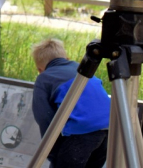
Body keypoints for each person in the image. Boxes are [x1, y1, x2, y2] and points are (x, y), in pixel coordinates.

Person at [31, 38, 110, 168]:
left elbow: (44, 117)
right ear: (67, 58)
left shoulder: (44, 78)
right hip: (108, 128)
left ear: (40, 69)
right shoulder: (83, 69)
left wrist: (52, 153)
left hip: (82, 132)